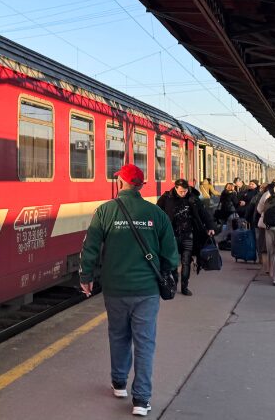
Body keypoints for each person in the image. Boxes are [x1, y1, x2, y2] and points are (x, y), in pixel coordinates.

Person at [79, 164, 179, 417]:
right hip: (146, 289)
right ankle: (142, 400)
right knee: (145, 342)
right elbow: (171, 255)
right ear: (141, 185)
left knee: (118, 335)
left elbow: (90, 248)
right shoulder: (156, 214)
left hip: (115, 288)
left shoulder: (105, 211)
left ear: (120, 182)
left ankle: (119, 383)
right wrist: (165, 272)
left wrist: (86, 276)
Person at [157, 179, 216, 296]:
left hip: (188, 234)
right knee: (173, 262)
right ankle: (173, 285)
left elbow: (203, 213)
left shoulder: (193, 198)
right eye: (180, 191)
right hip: (172, 235)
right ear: (175, 188)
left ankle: (185, 286)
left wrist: (210, 226)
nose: (183, 193)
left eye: (185, 191)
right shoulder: (166, 198)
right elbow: (157, 212)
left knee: (186, 261)